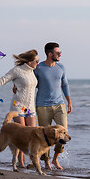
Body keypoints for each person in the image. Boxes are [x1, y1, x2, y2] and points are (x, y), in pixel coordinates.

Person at [15, 42, 72, 170]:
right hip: (42, 106)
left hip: (59, 105)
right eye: (58, 53)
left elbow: (65, 84)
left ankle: (55, 159)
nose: (60, 54)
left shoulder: (61, 67)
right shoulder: (39, 68)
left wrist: (69, 101)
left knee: (64, 132)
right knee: (45, 136)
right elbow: (29, 82)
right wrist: (17, 87)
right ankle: (46, 162)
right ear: (50, 54)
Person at [0, 49, 39, 168]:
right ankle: (21, 163)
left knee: (34, 135)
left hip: (30, 109)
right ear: (29, 62)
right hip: (18, 107)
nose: (37, 63)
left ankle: (33, 161)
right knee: (21, 136)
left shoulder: (32, 71)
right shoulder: (17, 71)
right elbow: (0, 82)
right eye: (36, 61)